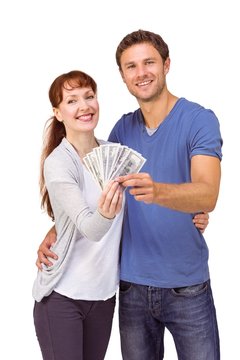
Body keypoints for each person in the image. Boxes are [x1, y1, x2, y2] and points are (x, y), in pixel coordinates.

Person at [36, 29, 221, 360]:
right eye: (131, 66)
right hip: (130, 289)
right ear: (122, 76)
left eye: (149, 62)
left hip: (187, 287)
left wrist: (169, 197)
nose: (141, 73)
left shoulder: (199, 121)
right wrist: (57, 230)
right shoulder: (121, 131)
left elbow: (207, 193)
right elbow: (95, 194)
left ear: (166, 64)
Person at [32, 70, 124, 360]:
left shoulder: (115, 154)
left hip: (104, 296)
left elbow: (150, 200)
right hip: (63, 297)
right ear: (58, 113)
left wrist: (193, 213)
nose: (84, 106)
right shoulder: (59, 163)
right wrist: (106, 214)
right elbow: (91, 228)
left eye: (89, 96)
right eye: (72, 101)